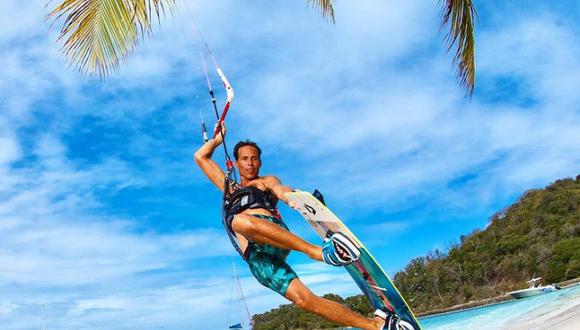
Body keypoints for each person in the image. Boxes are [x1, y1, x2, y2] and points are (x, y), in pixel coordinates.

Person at [194, 123, 396, 330]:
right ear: (236, 163)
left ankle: (318, 253)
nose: (250, 163)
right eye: (245, 159)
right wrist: (217, 141)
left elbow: (280, 189)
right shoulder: (229, 188)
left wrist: (290, 198)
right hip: (258, 260)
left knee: (238, 222)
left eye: (254, 158)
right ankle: (376, 326)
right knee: (304, 300)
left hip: (275, 238)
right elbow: (200, 157)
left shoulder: (266, 181)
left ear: (260, 162)